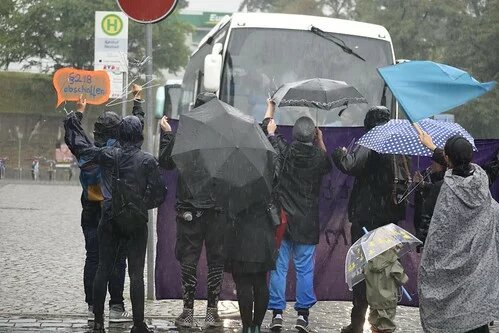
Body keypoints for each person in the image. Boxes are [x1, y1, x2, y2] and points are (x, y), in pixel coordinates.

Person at [65, 95, 166, 333]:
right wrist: (141, 204)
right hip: (135, 220)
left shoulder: (108, 155)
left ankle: (98, 320)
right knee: (136, 272)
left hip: (107, 215)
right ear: (138, 135)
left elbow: (80, 146)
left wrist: (74, 118)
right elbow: (160, 195)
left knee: (101, 266)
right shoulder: (148, 161)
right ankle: (137, 322)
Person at [417, 134, 499, 333]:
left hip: (446, 285)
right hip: (477, 280)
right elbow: (458, 162)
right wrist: (432, 147)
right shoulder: (482, 182)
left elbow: (431, 234)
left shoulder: (441, 190)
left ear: (447, 159)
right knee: (475, 322)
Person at [158, 92, 226, 329]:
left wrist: (167, 135)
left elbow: (165, 162)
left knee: (189, 258)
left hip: (189, 210)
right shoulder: (225, 136)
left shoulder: (185, 135)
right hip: (218, 210)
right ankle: (211, 312)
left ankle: (187, 312)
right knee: (216, 259)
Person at [264, 100, 332, 333]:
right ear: (313, 135)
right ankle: (302, 316)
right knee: (304, 269)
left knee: (278, 268)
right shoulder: (319, 158)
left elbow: (268, 130)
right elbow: (327, 163)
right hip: (307, 223)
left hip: (282, 222)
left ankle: (277, 314)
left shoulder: (284, 150)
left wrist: (270, 112)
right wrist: (321, 140)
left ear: (293, 134)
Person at [332, 106, 400, 333]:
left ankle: (357, 323)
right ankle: (380, 322)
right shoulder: (397, 145)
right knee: (384, 272)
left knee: (361, 271)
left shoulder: (372, 140)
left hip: (366, 217)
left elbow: (351, 165)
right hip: (388, 217)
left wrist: (340, 153)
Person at [224, 197, 277, 333]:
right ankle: (257, 325)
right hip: (262, 237)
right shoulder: (267, 180)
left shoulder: (234, 183)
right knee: (260, 282)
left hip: (240, 238)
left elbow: (228, 210)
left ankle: (247, 326)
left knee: (243, 284)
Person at [364, 247, 408, 333]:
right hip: (388, 300)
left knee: (374, 324)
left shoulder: (369, 262)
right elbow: (403, 279)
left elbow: (365, 274)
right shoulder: (393, 262)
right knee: (387, 326)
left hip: (373, 300)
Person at [413, 149, 447, 247]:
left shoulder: (447, 181)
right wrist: (420, 185)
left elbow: (437, 190)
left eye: (434, 163)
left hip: (437, 228)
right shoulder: (427, 174)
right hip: (425, 227)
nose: (431, 165)